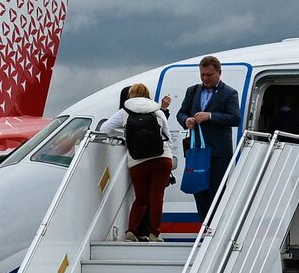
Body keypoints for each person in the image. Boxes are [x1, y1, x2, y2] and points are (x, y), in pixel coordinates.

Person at [102, 84, 175, 241]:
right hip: (161, 158)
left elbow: (104, 129)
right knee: (157, 197)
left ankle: (131, 231)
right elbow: (167, 135)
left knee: (140, 198)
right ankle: (154, 233)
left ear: (130, 96)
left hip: (138, 160)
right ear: (148, 95)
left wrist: (124, 133)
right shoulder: (157, 111)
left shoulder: (125, 112)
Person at [176, 55, 242, 222]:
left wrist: (210, 116)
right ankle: (204, 226)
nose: (205, 78)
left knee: (216, 191)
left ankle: (216, 227)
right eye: (202, 75)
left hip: (219, 152)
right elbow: (181, 113)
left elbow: (235, 119)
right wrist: (187, 120)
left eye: (209, 75)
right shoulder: (192, 91)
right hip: (197, 150)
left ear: (219, 73)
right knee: (198, 189)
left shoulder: (229, 93)